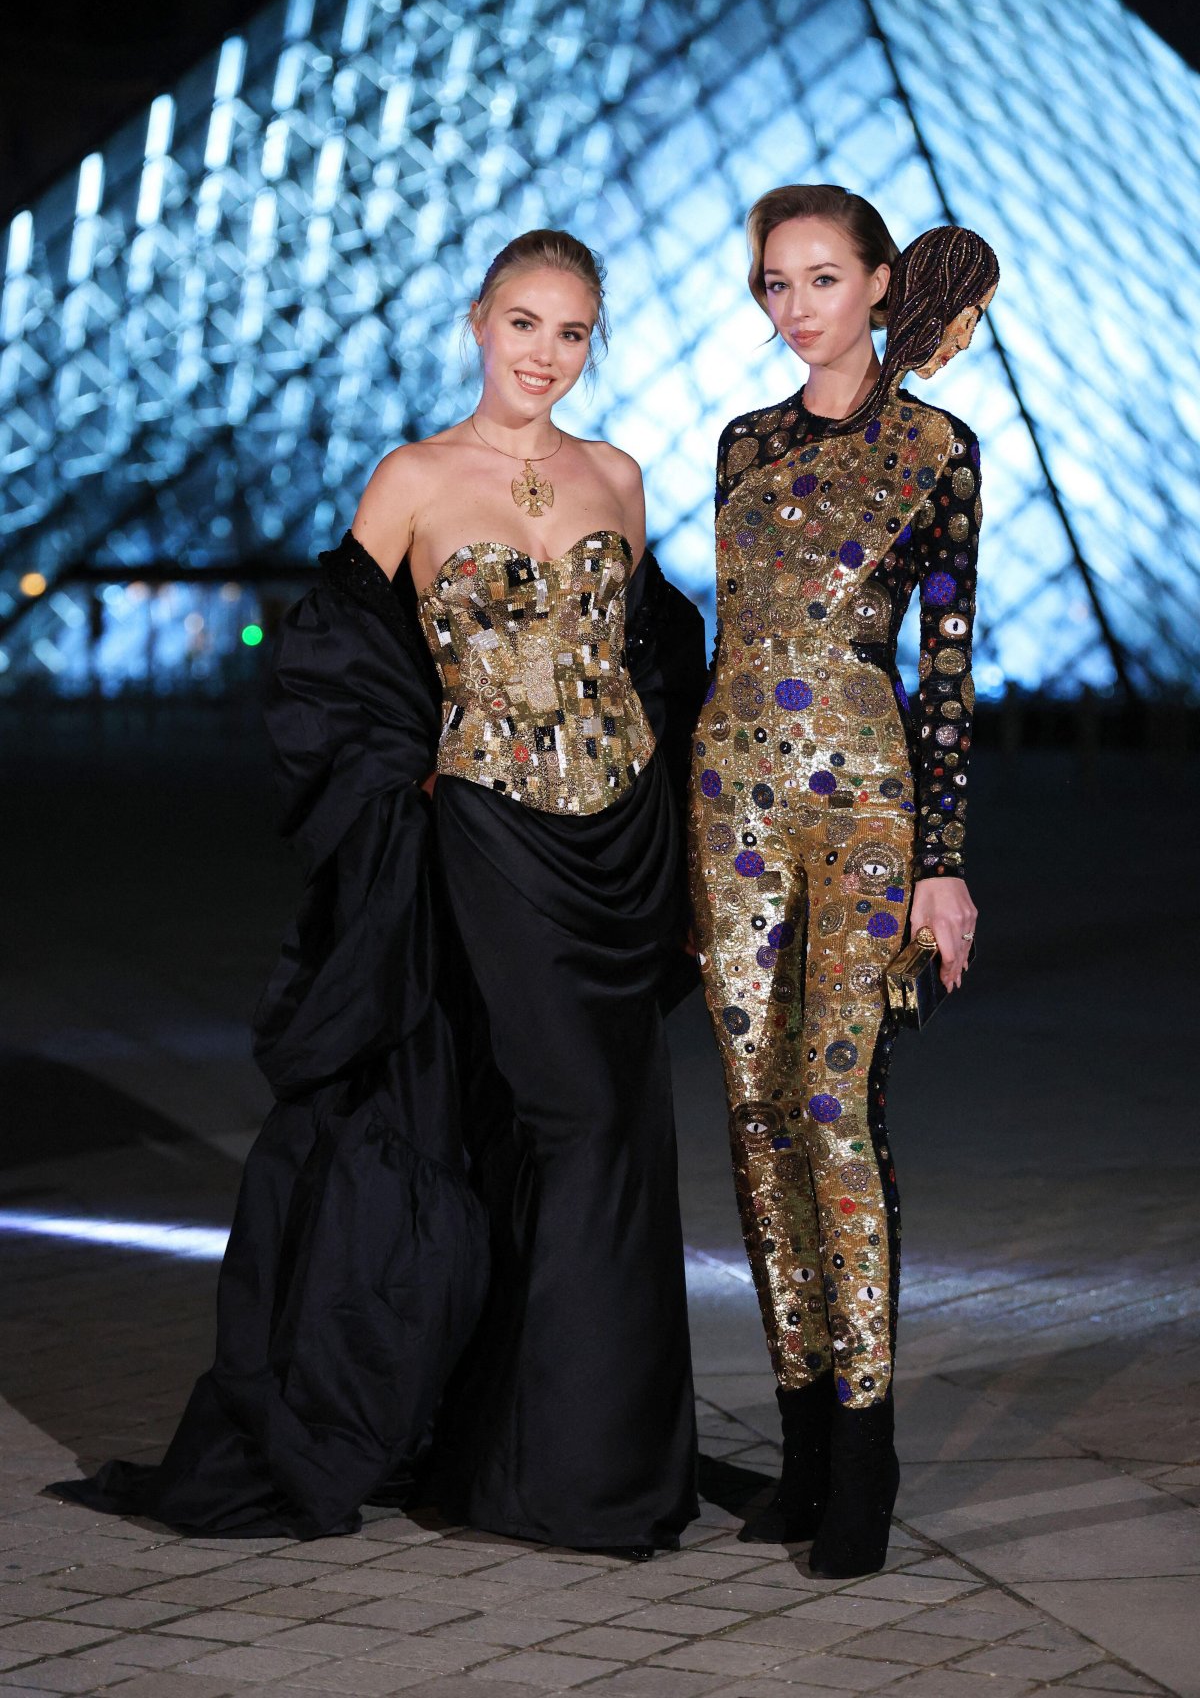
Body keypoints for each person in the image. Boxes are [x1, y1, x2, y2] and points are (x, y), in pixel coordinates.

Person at [51, 229, 707, 1557]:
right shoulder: (410, 477)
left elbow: (660, 658)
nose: (545, 352)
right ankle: (574, 1476)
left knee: (615, 1130)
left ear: (595, 344)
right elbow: (330, 664)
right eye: (524, 321)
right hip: (490, 845)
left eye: (573, 331)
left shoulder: (621, 477)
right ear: (478, 323)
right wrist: (402, 786)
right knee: (574, 1119)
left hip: (618, 850)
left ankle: (572, 1456)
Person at [689, 186, 998, 1577]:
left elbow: (946, 669)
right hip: (727, 806)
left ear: (880, 282)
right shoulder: (742, 444)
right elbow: (726, 640)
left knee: (832, 1107)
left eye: (822, 277)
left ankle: (863, 1454)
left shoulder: (941, 451)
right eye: (773, 284)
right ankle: (802, 1440)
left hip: (864, 807)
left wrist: (944, 865)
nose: (796, 307)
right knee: (754, 1115)